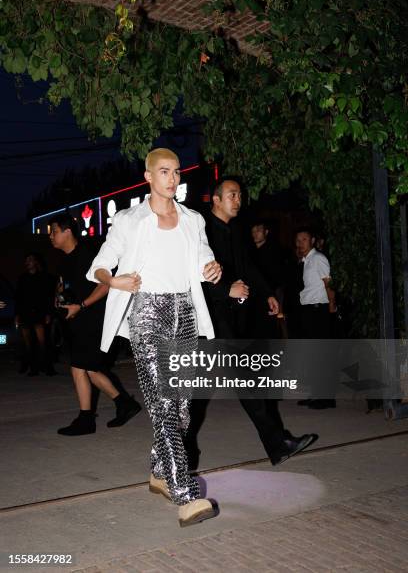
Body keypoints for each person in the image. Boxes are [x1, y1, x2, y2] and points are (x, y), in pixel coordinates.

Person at [86, 148, 222, 528]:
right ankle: (185, 494)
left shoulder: (193, 220)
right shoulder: (130, 220)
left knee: (180, 409)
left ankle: (159, 472)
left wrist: (211, 269)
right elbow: (99, 263)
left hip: (185, 314)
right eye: (164, 172)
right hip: (147, 313)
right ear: (148, 176)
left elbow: (202, 259)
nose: (173, 179)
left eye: (176, 172)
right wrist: (113, 280)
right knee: (163, 402)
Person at [186, 178, 317, 469]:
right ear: (216, 200)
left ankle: (182, 452)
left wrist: (268, 293)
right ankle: (275, 444)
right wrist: (226, 289)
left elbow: (248, 267)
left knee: (209, 389)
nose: (238, 199)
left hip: (228, 320)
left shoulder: (235, 230)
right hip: (210, 320)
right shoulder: (201, 231)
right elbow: (192, 274)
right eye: (232, 195)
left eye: (240, 195)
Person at [49, 213, 141, 435]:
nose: (50, 236)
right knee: (89, 368)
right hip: (78, 319)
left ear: (67, 231)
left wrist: (81, 305)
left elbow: (106, 285)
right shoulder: (64, 260)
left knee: (78, 367)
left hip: (94, 318)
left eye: (54, 231)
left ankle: (86, 419)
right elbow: (66, 286)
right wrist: (59, 296)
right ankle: (124, 404)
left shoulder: (87, 255)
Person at [295, 228, 337, 410]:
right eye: (297, 239)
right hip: (309, 311)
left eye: (304, 239)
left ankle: (327, 398)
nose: (300, 242)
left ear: (312, 240)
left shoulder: (318, 259)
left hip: (318, 311)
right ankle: (316, 394)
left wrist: (331, 307)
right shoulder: (306, 260)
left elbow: (329, 284)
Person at [15, 253, 56, 376]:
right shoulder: (22, 278)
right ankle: (33, 368)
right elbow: (18, 298)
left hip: (39, 313)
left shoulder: (44, 277)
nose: (28, 262)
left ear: (36, 262)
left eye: (30, 260)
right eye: (26, 260)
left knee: (42, 342)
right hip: (25, 313)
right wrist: (17, 315)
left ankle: (47, 367)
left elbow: (48, 297)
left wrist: (48, 313)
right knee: (28, 343)